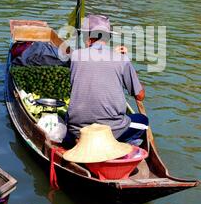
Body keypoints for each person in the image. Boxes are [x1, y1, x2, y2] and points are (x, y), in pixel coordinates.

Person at [61, 14, 148, 147]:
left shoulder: (75, 56)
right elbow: (140, 95)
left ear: (89, 37)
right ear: (107, 37)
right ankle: (120, 144)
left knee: (66, 124)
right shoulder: (121, 59)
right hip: (113, 129)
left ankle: (82, 142)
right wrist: (127, 62)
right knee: (143, 121)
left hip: (77, 130)